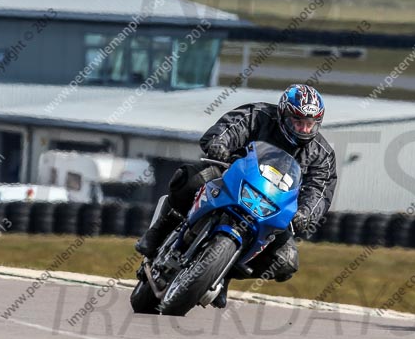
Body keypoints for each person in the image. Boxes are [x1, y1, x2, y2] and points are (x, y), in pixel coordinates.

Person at [136, 84, 337, 308]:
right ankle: (160, 230)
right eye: (297, 122)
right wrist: (219, 144)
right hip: (232, 179)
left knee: (285, 261)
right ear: (283, 114)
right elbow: (229, 128)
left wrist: (306, 212)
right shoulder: (258, 115)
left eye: (310, 125)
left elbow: (319, 189)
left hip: (273, 206)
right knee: (189, 178)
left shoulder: (322, 154)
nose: (304, 130)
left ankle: (221, 275)